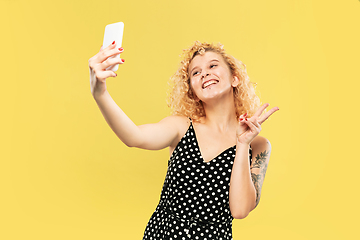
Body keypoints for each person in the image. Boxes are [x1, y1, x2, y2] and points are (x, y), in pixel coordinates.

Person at [88, 41, 279, 240]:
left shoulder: (257, 145)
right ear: (194, 93)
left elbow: (239, 210)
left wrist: (242, 143)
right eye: (195, 72)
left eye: (213, 66)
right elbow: (134, 137)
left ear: (235, 78)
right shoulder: (181, 127)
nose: (204, 73)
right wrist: (100, 93)